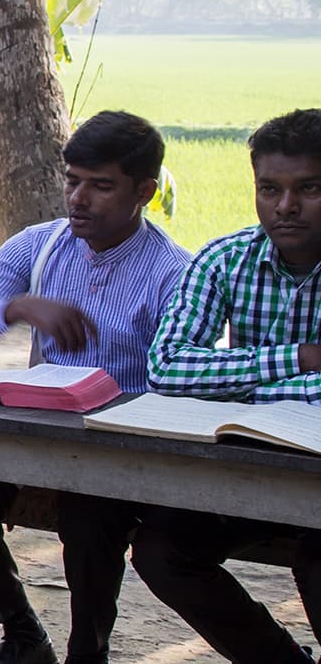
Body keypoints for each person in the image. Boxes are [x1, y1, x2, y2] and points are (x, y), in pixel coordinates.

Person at [0, 111, 189, 664]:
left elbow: (177, 382)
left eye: (101, 186)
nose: (78, 198)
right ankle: (22, 632)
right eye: (72, 180)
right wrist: (16, 306)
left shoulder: (172, 272)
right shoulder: (41, 246)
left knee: (92, 519)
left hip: (120, 447)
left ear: (144, 191)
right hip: (37, 432)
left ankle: (87, 650)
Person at [136, 107, 321, 664]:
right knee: (160, 549)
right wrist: (302, 359)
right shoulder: (225, 259)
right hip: (247, 471)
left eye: (308, 189)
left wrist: (233, 380)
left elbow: (196, 372)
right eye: (269, 189)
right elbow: (166, 367)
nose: (284, 207)